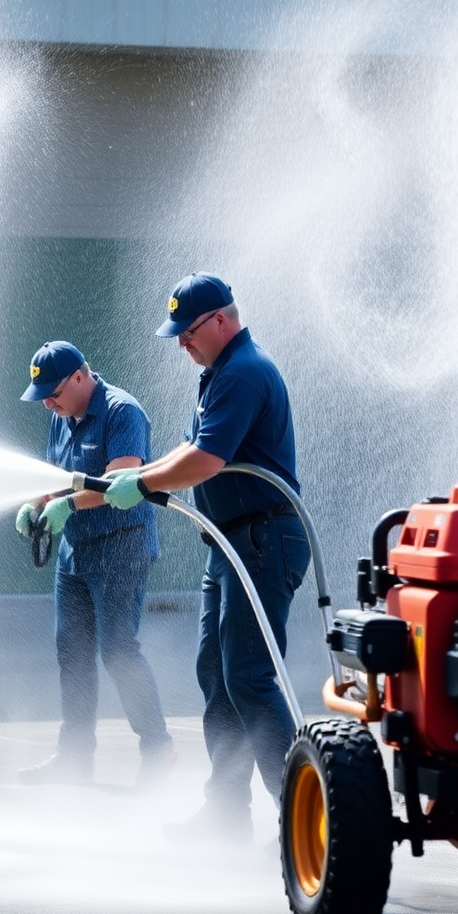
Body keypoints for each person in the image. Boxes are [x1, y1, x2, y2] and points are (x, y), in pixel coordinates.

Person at [104, 273, 311, 842]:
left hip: (261, 539)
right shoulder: (220, 373)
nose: (181, 343)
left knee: (249, 677)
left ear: (221, 320)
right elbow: (193, 447)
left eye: (188, 331)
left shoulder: (243, 372)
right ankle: (226, 815)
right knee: (218, 677)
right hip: (231, 543)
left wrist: (143, 485)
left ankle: (303, 821)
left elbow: (206, 460)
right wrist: (140, 476)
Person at [14, 340, 175, 787]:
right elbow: (55, 474)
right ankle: (74, 758)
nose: (47, 404)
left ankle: (158, 748)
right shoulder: (60, 415)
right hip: (76, 552)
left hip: (121, 548)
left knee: (118, 650)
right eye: (42, 397)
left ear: (80, 377)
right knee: (72, 653)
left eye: (53, 393)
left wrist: (66, 506)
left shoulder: (124, 412)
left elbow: (119, 482)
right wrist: (36, 503)